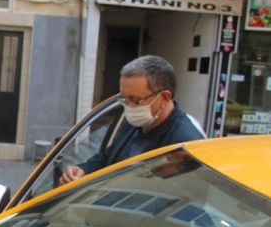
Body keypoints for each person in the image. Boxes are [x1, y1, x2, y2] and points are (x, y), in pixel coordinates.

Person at [60, 55, 205, 185]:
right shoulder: (139, 121)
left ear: (164, 98)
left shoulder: (184, 145)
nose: (128, 107)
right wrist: (83, 170)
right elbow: (108, 156)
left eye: (135, 100)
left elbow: (172, 199)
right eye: (124, 98)